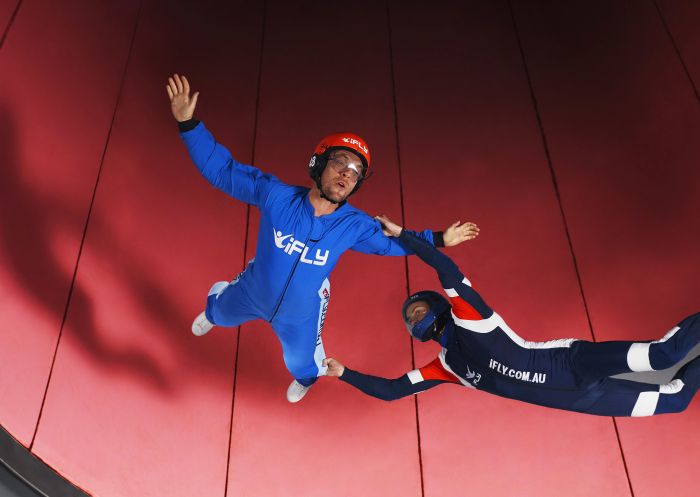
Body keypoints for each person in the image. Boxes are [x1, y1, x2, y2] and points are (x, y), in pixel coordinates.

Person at [166, 74, 477, 402]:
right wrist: (188, 123)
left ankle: (305, 374)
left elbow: (394, 243)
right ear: (318, 164)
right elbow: (223, 171)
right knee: (217, 313)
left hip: (300, 313)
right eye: (340, 162)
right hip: (252, 290)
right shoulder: (276, 196)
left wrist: (440, 238)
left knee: (306, 368)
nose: (347, 172)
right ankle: (220, 297)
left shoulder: (355, 226)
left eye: (356, 171)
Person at [324, 215, 700, 417]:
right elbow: (391, 391)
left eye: (418, 307)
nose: (414, 315)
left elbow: (444, 268)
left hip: (575, 363)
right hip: (584, 401)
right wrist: (344, 374)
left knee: (663, 355)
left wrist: (406, 235)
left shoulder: (470, 316)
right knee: (677, 399)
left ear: (438, 304)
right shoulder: (445, 368)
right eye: (410, 317)